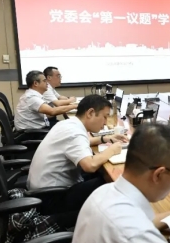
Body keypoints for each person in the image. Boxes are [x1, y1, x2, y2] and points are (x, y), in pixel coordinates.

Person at [27, 95, 127, 223]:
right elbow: (89, 166)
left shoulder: (69, 124)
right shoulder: (74, 133)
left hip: (42, 191)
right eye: (105, 116)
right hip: (51, 199)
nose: (106, 122)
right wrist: (112, 150)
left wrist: (105, 138)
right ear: (90, 113)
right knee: (112, 183)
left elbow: (81, 142)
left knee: (101, 174)